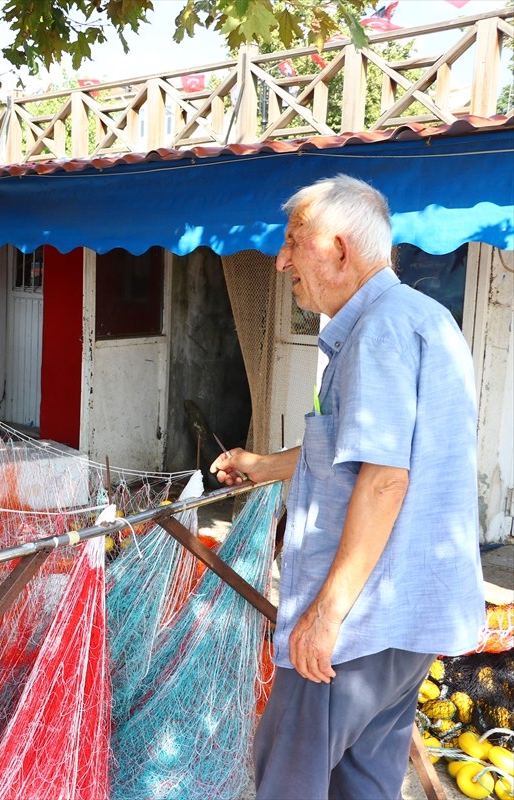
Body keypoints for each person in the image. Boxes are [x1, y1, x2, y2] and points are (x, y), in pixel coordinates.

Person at [210, 175, 485, 799]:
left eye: (293, 242)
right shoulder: (425, 317)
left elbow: (386, 479)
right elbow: (361, 451)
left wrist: (324, 617)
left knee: (289, 780)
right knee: (363, 785)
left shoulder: (378, 333)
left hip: (353, 628)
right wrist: (265, 464)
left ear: (338, 248)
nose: (281, 261)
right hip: (403, 627)